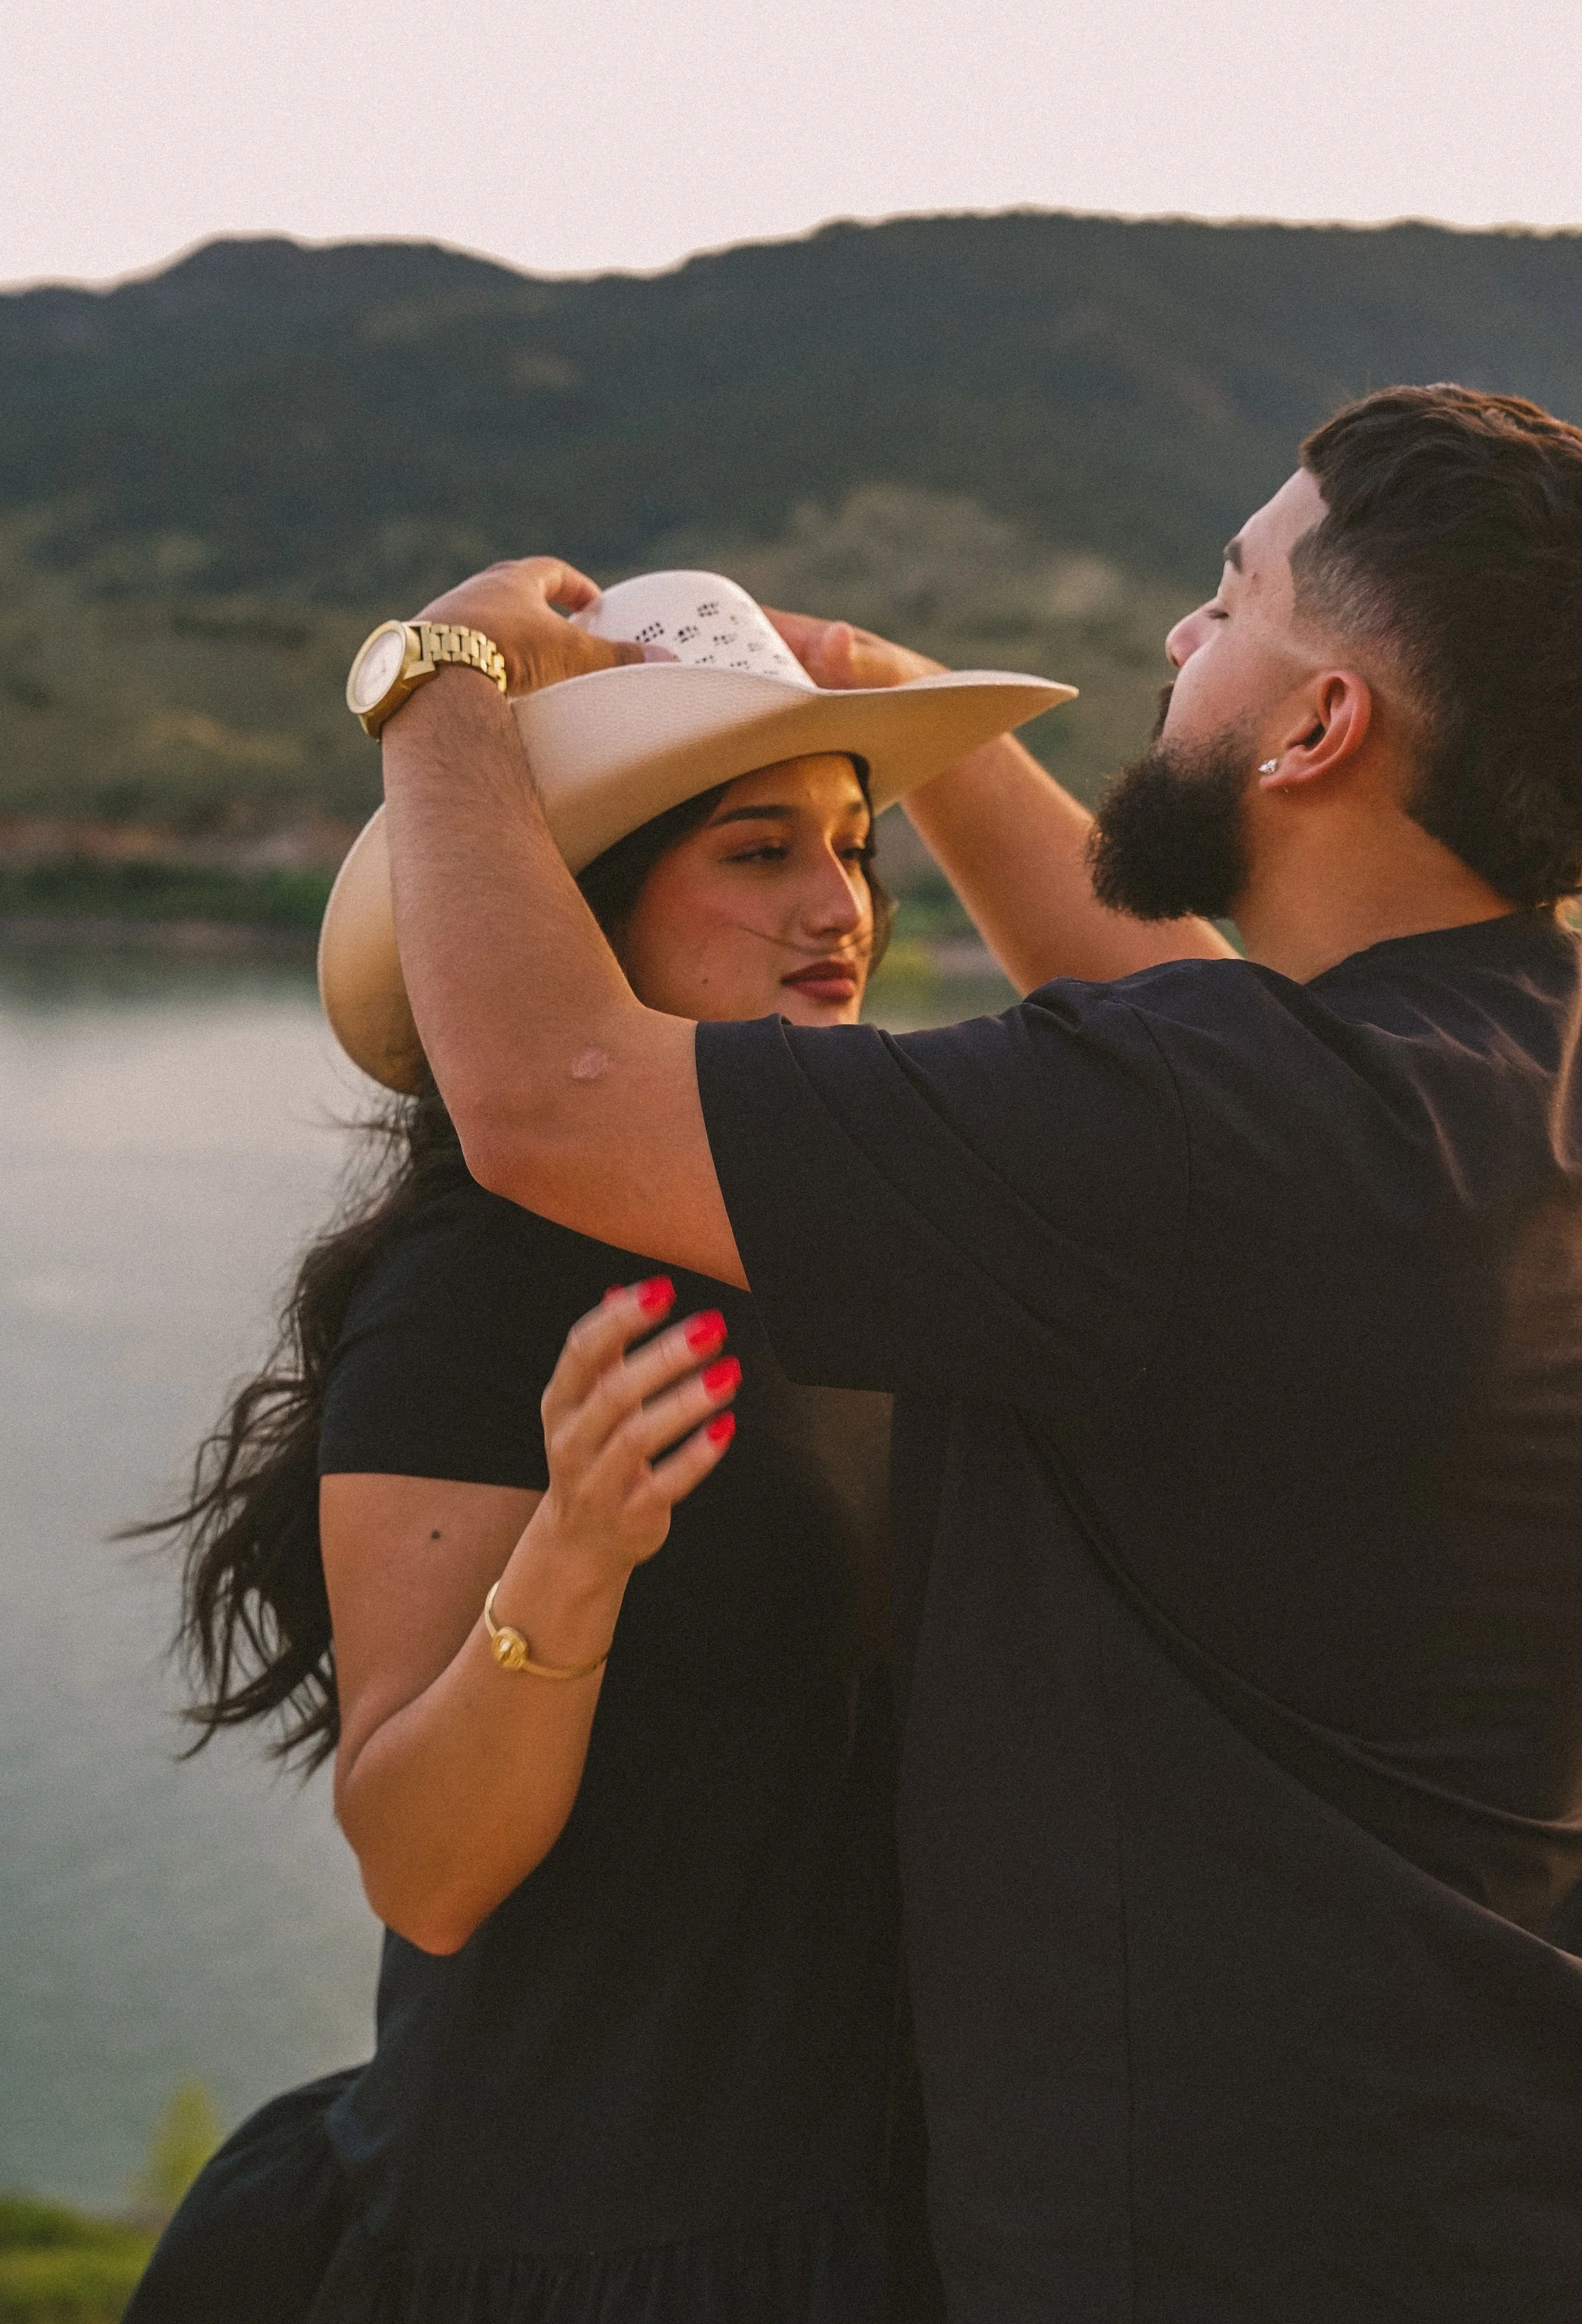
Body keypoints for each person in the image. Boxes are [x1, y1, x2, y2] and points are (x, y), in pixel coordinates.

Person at [364, 388, 1582, 2323]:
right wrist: (893, 705)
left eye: (1230, 597)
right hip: (1574, 2180)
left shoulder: (1208, 1133)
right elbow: (1191, 1042)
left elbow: (557, 1097)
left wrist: (439, 677)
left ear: (1321, 726)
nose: (1177, 636)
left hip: (1250, 2247)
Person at [123, 590, 1088, 2324]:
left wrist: (865, 664)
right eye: (759, 849)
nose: (838, 907)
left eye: (855, 849)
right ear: (591, 903)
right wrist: (569, 1559)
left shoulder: (867, 1231)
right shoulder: (479, 1290)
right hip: (586, 2239)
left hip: (899, 2225)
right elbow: (424, 1866)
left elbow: (1192, 1045)